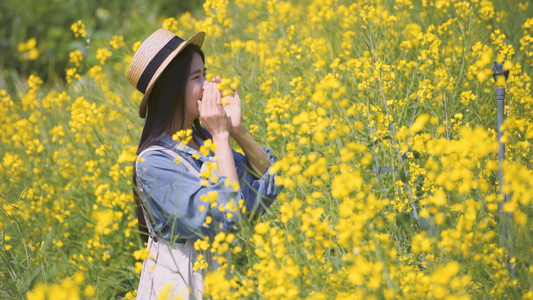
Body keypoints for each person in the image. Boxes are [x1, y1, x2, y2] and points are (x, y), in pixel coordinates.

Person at [126, 29, 282, 300]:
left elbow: (269, 180)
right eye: (197, 77)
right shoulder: (153, 162)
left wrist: (236, 131)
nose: (210, 85)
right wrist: (221, 136)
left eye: (205, 74)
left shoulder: (204, 139)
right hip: (179, 284)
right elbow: (228, 216)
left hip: (218, 275)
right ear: (171, 89)